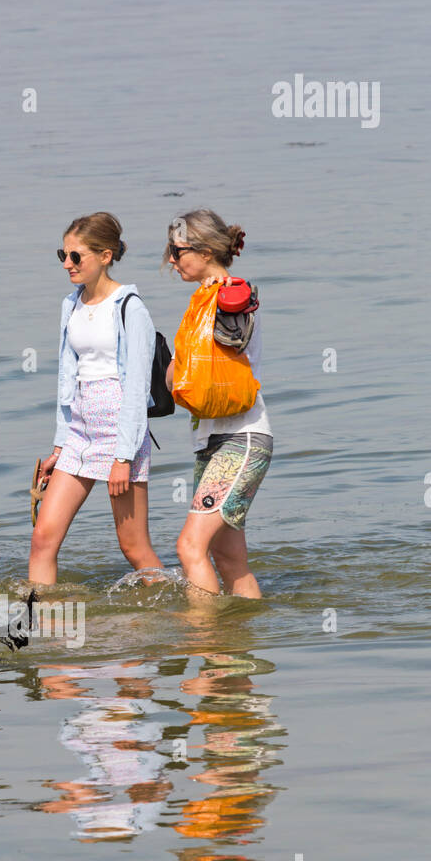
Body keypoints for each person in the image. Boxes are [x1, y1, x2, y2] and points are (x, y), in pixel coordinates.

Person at [28, 213, 164, 585]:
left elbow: (137, 388)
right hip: (79, 435)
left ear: (106, 255)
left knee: (134, 548)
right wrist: (59, 444)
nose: (67, 264)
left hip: (120, 435)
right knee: (42, 539)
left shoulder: (129, 307)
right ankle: (39, 629)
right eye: (63, 255)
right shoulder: (70, 305)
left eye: (76, 257)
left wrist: (123, 456)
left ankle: (181, 618)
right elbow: (65, 377)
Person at [164, 210, 272, 600]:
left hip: (241, 440)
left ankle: (206, 638)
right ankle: (240, 652)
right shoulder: (203, 302)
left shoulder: (233, 299)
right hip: (212, 442)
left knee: (189, 547)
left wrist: (222, 294)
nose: (172, 261)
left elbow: (190, 371)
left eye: (177, 252)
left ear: (206, 250)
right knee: (227, 559)